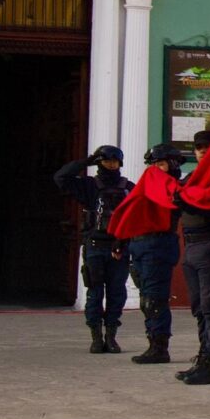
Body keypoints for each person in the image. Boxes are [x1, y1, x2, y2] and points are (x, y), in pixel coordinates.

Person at [53, 144, 132, 354]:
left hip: (119, 248)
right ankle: (96, 337)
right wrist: (86, 162)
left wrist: (124, 241)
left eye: (114, 161)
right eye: (106, 161)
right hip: (95, 246)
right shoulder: (89, 185)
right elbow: (60, 178)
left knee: (117, 294)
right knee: (95, 293)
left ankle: (111, 336)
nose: (111, 165)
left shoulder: (127, 187)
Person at [172, 129, 210, 386]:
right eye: (199, 148)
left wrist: (187, 202)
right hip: (192, 246)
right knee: (199, 307)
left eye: (207, 148)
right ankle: (204, 356)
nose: (202, 152)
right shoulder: (191, 179)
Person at [121, 143, 187, 366]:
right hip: (139, 243)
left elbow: (173, 202)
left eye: (160, 164)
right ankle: (153, 341)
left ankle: (159, 347)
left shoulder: (175, 189)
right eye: (153, 165)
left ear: (173, 164)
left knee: (155, 299)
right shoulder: (147, 185)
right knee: (146, 299)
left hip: (158, 244)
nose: (155, 169)